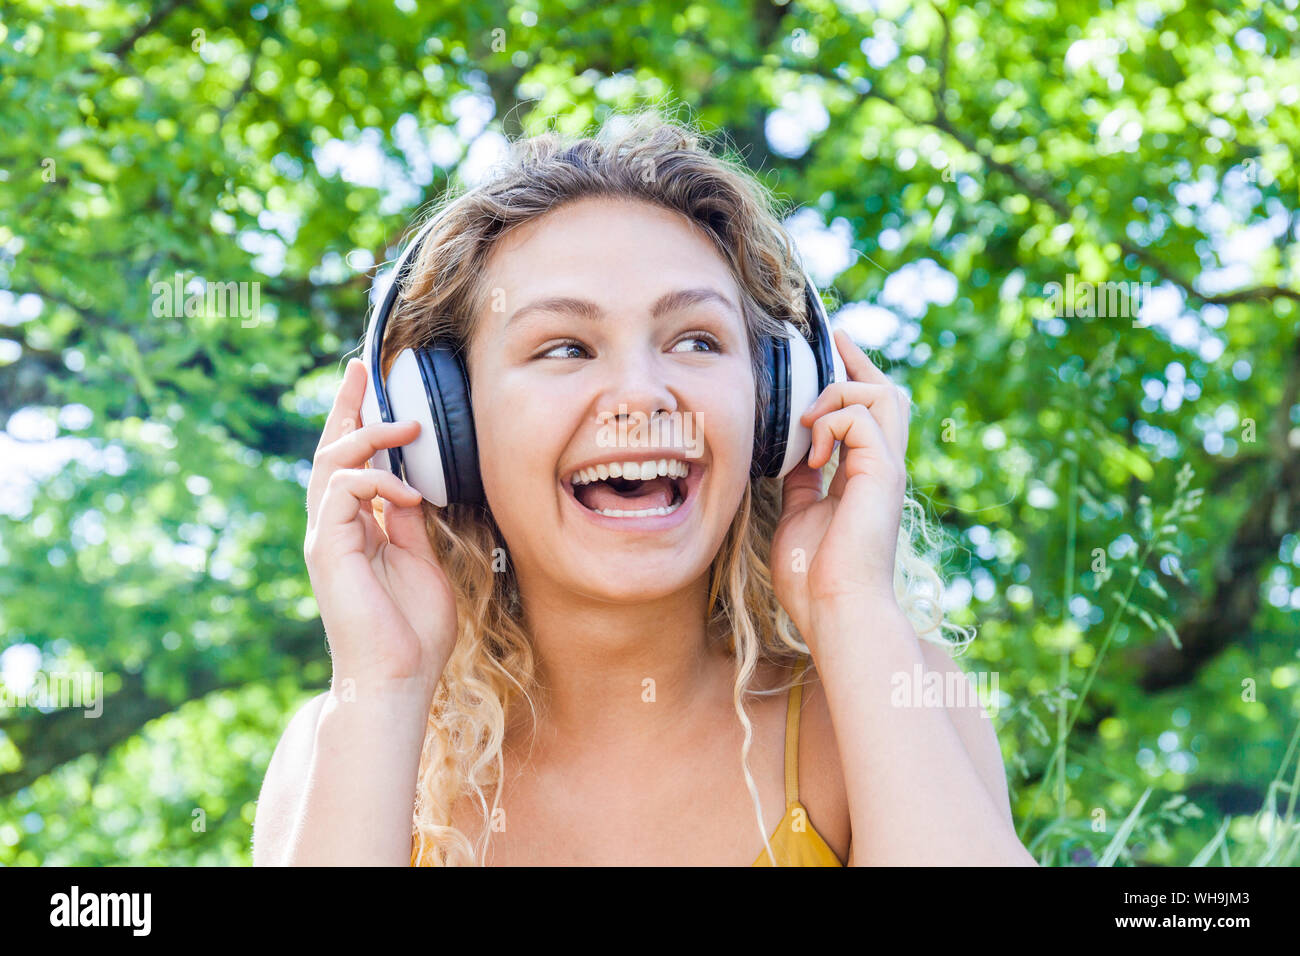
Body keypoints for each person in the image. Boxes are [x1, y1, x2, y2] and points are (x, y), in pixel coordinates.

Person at [252, 109, 1036, 866]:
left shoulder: (893, 696)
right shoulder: (349, 744)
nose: (642, 394)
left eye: (696, 339)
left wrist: (851, 607)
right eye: (564, 347)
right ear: (442, 425)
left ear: (779, 405)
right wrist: (384, 683)